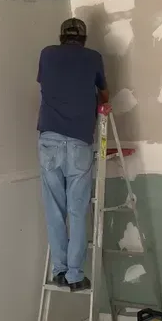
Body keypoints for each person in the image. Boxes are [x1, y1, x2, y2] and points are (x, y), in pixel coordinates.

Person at [37, 18, 109, 291]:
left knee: (54, 210)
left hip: (49, 140)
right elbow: (105, 94)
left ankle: (59, 270)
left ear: (61, 36)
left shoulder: (47, 54)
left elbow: (47, 83)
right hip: (79, 141)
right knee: (77, 211)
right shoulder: (93, 57)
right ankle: (75, 275)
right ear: (84, 38)